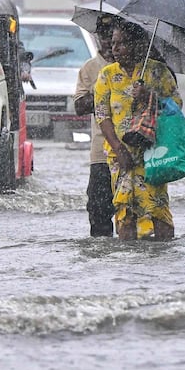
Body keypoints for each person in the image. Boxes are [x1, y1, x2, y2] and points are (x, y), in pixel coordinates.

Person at [94, 21, 182, 241]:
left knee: (157, 207)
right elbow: (102, 115)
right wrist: (118, 148)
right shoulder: (106, 75)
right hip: (120, 155)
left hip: (153, 152)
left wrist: (150, 96)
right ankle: (128, 259)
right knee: (124, 210)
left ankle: (162, 251)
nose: (115, 48)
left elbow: (176, 106)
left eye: (121, 43)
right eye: (113, 43)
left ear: (136, 45)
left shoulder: (158, 72)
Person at [73, 13, 117, 237]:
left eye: (113, 34)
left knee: (133, 212)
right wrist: (104, 90)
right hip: (101, 154)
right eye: (104, 34)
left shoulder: (137, 66)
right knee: (99, 212)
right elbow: (79, 106)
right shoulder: (90, 69)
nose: (109, 39)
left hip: (134, 151)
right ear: (97, 36)